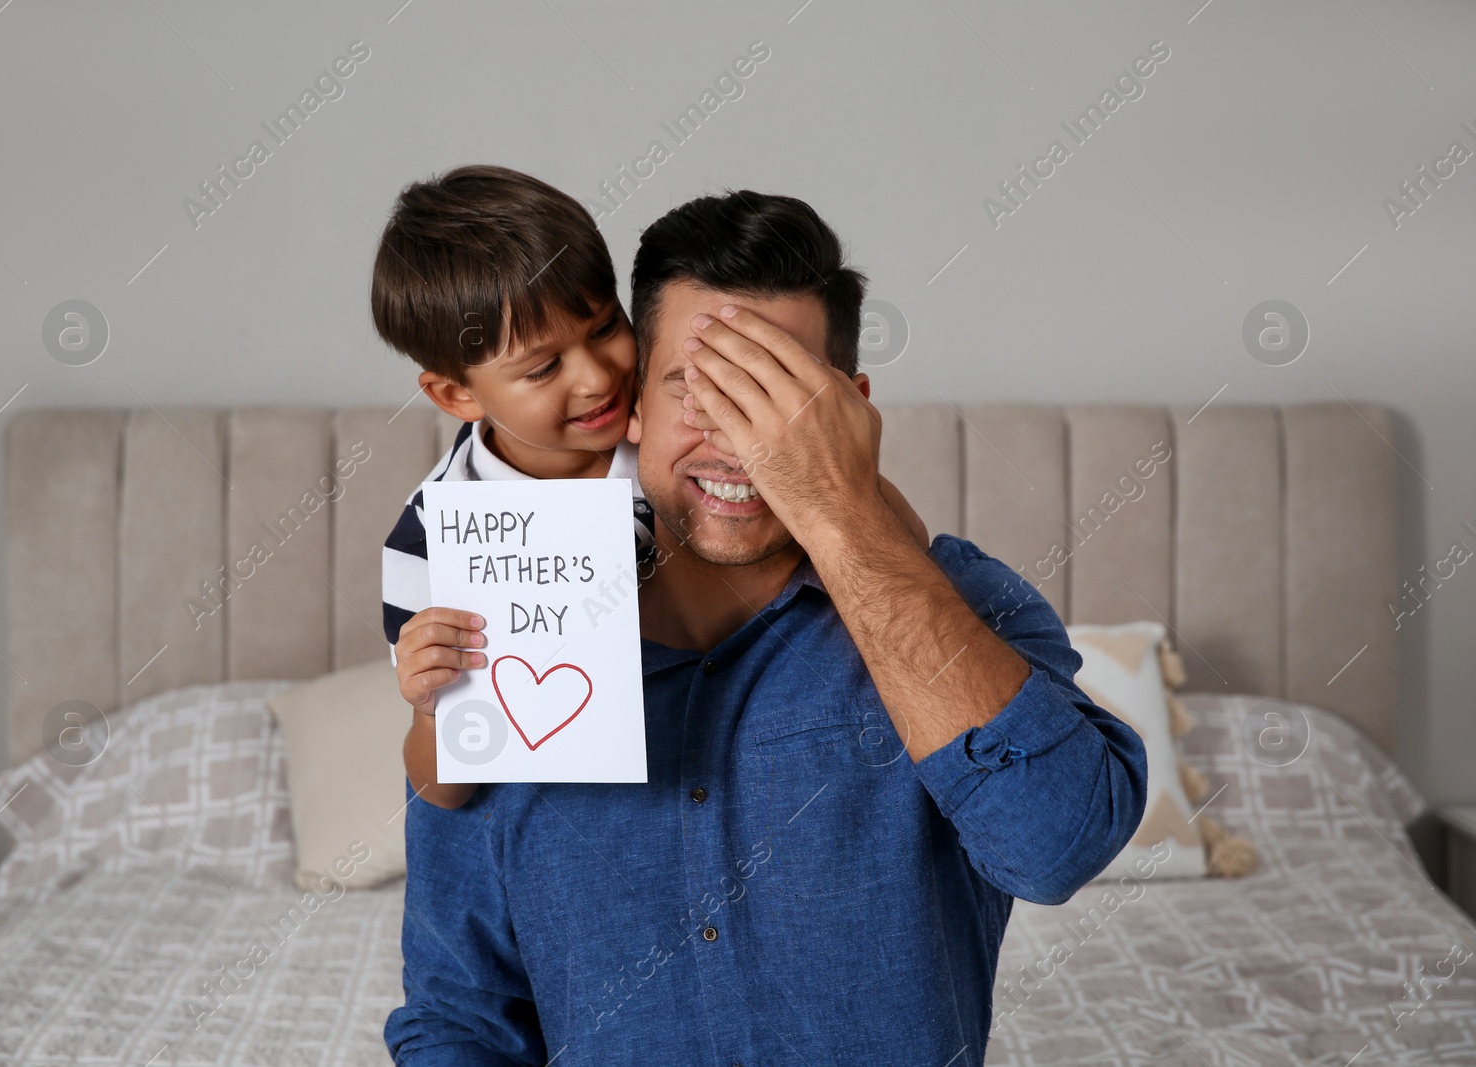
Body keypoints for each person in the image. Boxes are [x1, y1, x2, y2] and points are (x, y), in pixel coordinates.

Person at [383, 189, 1149, 1064]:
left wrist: (841, 507)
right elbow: (459, 1014)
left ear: (851, 413)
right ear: (633, 404)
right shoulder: (508, 625)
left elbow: (1057, 848)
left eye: (779, 399)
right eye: (701, 390)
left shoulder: (970, 604)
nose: (741, 444)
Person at [371, 165, 925, 810]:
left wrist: (841, 488)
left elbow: (891, 538)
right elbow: (445, 795)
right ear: (456, 393)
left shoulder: (676, 431)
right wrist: (433, 711)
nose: (599, 377)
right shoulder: (429, 545)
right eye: (544, 366)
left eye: (606, 328)